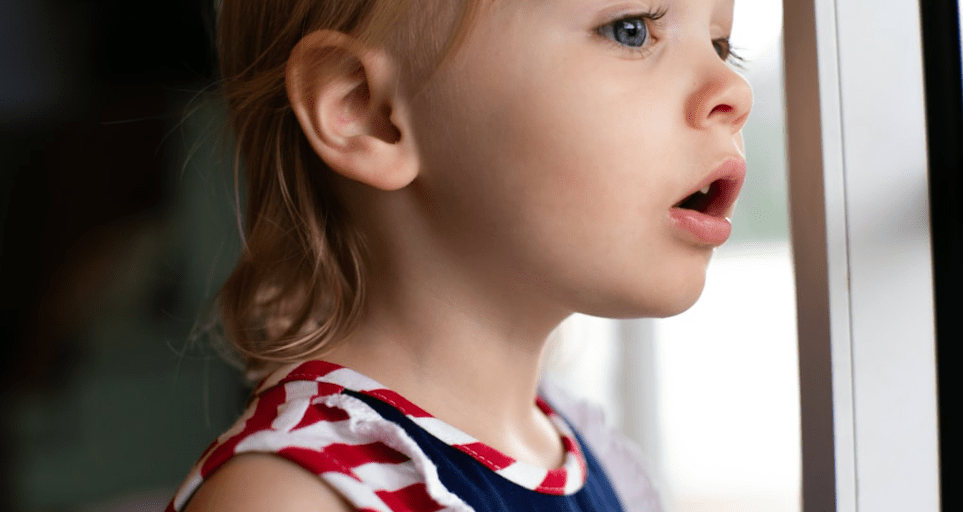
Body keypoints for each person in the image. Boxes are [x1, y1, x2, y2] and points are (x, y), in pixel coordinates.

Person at [167, 0, 752, 509]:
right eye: (630, 28)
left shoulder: (590, 454)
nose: (735, 91)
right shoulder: (299, 496)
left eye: (721, 45)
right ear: (369, 111)